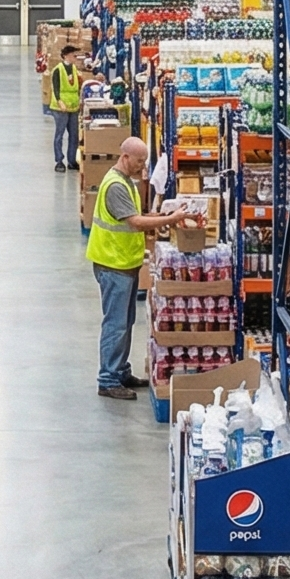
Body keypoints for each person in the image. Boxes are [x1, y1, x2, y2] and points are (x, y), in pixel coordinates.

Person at [83, 136, 182, 401]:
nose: (142, 166)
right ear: (125, 157)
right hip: (112, 265)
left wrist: (162, 218)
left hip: (123, 264)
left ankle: (120, 372)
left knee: (126, 322)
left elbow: (136, 218)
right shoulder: (116, 185)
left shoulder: (126, 181)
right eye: (139, 161)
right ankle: (108, 379)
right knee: (116, 324)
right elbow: (135, 223)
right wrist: (171, 219)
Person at [46, 46, 82, 172]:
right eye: (73, 55)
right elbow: (55, 87)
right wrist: (60, 101)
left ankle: (72, 161)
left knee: (74, 135)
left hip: (73, 106)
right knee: (59, 134)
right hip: (60, 108)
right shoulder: (58, 70)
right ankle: (59, 161)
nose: (75, 58)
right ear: (66, 56)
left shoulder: (74, 69)